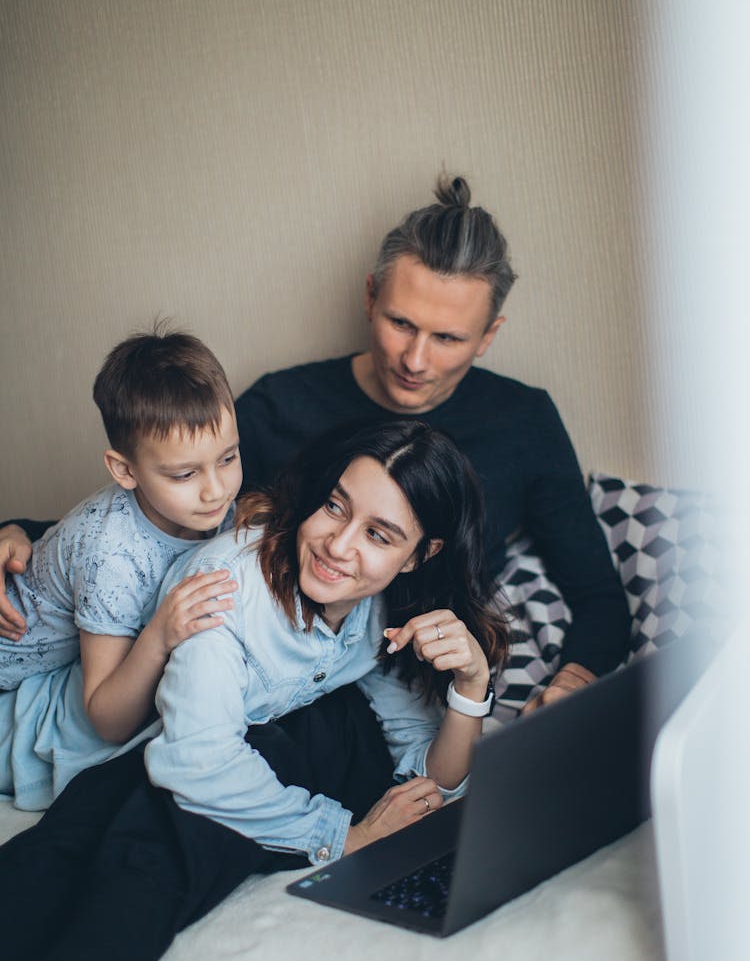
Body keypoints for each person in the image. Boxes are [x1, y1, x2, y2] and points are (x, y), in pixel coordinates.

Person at [0, 418, 507, 961]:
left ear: (421, 554)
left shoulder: (376, 611)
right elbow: (194, 763)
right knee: (184, 791)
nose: (338, 544)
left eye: (380, 535)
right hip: (103, 748)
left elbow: (428, 781)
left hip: (197, 748)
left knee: (285, 739)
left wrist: (472, 689)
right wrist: (343, 836)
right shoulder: (225, 588)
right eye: (336, 506)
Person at [0, 173, 630, 710]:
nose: (415, 359)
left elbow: (601, 597)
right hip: (283, 667)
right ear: (369, 298)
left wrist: (577, 677)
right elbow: (164, 505)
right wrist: (22, 534)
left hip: (408, 682)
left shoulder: (524, 422)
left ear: (488, 336)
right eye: (400, 323)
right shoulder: (283, 404)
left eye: (448, 339)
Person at [0, 328, 242, 809]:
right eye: (185, 474)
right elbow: (106, 719)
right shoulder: (111, 554)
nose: (216, 490)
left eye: (229, 458)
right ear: (124, 470)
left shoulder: (215, 508)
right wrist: (159, 635)